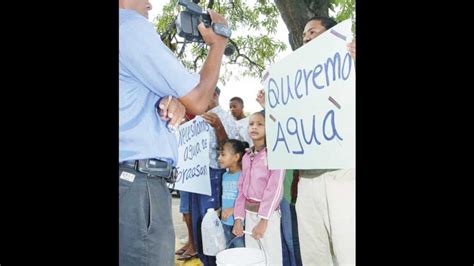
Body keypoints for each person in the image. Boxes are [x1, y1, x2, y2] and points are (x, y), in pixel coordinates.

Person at [119, 0, 230, 264]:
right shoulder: (131, 27)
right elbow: (199, 98)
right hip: (137, 185)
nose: (149, 5)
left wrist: (167, 100)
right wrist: (218, 43)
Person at [258, 16, 356, 265]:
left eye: (313, 31)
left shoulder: (350, 67)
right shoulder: (298, 85)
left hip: (344, 177)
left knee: (348, 254)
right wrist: (273, 108)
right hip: (306, 183)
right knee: (315, 256)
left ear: (333, 34)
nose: (307, 38)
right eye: (304, 35)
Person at [190, 86, 239, 266]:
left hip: (214, 175)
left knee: (212, 223)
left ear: (215, 95)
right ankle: (205, 260)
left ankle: (216, 261)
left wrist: (218, 126)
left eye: (202, 92)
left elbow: (231, 149)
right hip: (196, 176)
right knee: (199, 221)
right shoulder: (197, 118)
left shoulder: (225, 118)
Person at [232, 111, 285, 266]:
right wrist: (238, 219)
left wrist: (264, 220)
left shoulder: (275, 155)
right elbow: (241, 189)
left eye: (260, 124)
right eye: (251, 124)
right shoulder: (247, 156)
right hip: (249, 214)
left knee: (271, 256)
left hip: (268, 216)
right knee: (254, 257)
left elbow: (274, 189)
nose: (254, 127)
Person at [217, 139, 249, 248]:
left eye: (223, 155)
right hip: (225, 223)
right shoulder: (224, 176)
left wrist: (233, 210)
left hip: (239, 226)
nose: (219, 158)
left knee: (240, 255)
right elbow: (226, 198)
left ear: (236, 157)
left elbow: (247, 200)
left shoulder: (243, 176)